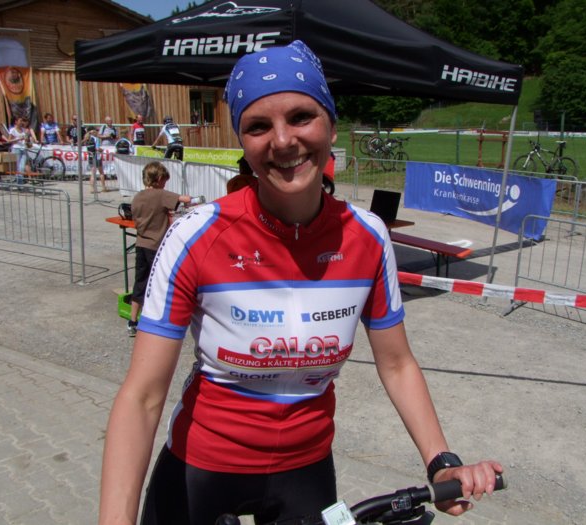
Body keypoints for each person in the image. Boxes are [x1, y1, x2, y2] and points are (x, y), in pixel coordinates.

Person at [98, 41, 502, 525]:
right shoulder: (194, 235)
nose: (283, 140)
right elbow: (142, 397)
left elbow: (397, 364)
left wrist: (441, 461)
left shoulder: (368, 236)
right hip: (201, 469)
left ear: (331, 124)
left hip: (305, 473)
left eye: (301, 117)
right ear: (242, 141)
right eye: (258, 126)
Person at [127, 161, 195, 337]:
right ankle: (159, 319)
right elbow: (185, 200)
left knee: (140, 282)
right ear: (158, 179)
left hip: (141, 244)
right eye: (164, 180)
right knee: (160, 283)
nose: (165, 184)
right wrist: (194, 200)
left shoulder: (138, 196)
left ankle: (133, 321)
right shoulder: (160, 194)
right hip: (156, 246)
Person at [8, 117, 38, 185]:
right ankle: (20, 183)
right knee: (18, 166)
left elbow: (26, 139)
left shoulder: (24, 130)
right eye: (20, 121)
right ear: (16, 122)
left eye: (22, 121)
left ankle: (20, 182)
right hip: (16, 149)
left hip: (23, 148)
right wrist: (18, 139)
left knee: (22, 166)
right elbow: (9, 140)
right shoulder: (13, 130)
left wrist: (27, 140)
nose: (22, 122)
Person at [85, 127, 107, 193]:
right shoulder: (96, 139)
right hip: (97, 157)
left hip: (91, 157)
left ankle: (92, 189)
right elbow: (97, 148)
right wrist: (102, 150)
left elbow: (88, 149)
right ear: (94, 132)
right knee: (101, 173)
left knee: (92, 173)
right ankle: (103, 187)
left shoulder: (87, 139)